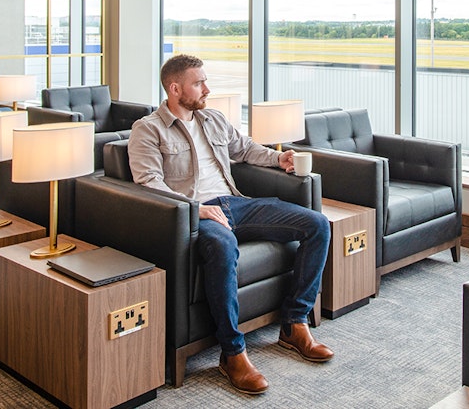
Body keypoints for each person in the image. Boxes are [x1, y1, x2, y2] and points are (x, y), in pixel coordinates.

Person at [129, 54, 333, 395]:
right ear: (175, 88)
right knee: (223, 247)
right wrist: (195, 209)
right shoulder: (148, 129)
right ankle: (233, 352)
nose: (207, 89)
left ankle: (295, 322)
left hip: (237, 204)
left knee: (318, 225)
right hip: (197, 215)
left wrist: (277, 158)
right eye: (198, 83)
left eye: (205, 81)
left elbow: (246, 149)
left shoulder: (213, 118)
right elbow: (148, 182)